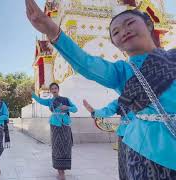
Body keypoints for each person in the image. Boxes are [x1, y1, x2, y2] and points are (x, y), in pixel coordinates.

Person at [25, 0, 176, 179]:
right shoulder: (121, 71)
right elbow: (86, 63)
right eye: (116, 32)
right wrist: (52, 31)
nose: (124, 32)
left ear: (149, 24)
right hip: (144, 152)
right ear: (115, 43)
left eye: (130, 23)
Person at [32, 82, 77, 179]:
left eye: (55, 88)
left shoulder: (66, 100)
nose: (54, 90)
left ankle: (63, 170)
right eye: (52, 89)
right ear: (51, 91)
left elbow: (75, 109)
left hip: (65, 124)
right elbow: (39, 100)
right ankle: (60, 171)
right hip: (55, 125)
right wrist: (32, 94)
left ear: (58, 89)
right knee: (56, 146)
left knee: (65, 146)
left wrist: (67, 107)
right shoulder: (50, 101)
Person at [83, 99, 135, 179]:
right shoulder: (121, 100)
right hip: (123, 135)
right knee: (124, 164)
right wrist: (93, 111)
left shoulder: (147, 96)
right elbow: (107, 110)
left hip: (140, 135)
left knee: (137, 165)